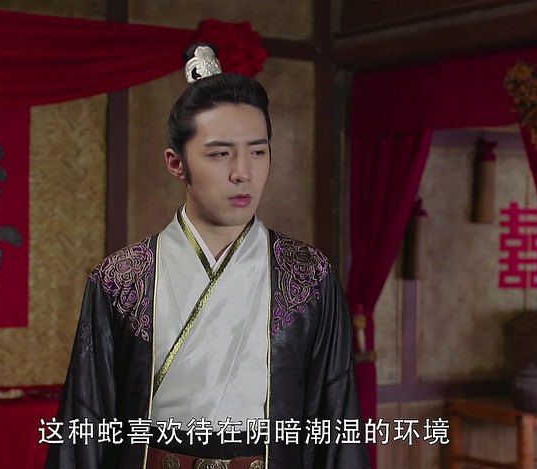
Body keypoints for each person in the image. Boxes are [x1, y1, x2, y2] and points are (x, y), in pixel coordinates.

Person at [46, 44, 369, 469]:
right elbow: (84, 420)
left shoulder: (308, 275)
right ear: (176, 163)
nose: (243, 172)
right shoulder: (121, 278)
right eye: (220, 153)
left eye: (258, 151)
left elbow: (337, 418)